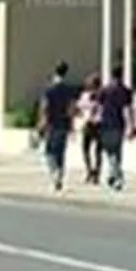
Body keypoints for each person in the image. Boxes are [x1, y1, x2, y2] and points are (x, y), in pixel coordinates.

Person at [36, 63, 83, 191]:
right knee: (61, 152)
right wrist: (72, 125)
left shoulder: (49, 90)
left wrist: (41, 125)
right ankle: (60, 175)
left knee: (49, 152)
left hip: (52, 125)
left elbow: (45, 109)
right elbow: (71, 108)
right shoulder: (68, 90)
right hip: (64, 124)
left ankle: (54, 173)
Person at [95, 70, 136, 192]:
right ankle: (114, 175)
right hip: (119, 124)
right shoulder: (126, 91)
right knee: (117, 151)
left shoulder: (104, 90)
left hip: (106, 124)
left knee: (110, 152)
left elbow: (98, 107)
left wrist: (95, 119)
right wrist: (132, 126)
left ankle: (116, 176)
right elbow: (129, 109)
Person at [77, 73, 106, 186]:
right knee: (97, 150)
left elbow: (80, 108)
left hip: (90, 123)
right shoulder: (102, 95)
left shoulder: (86, 96)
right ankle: (95, 173)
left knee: (87, 149)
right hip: (98, 124)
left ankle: (91, 171)